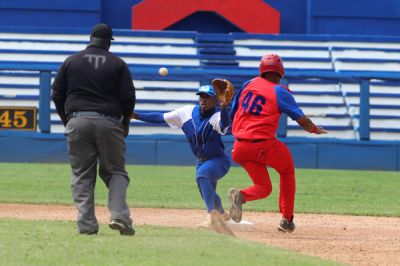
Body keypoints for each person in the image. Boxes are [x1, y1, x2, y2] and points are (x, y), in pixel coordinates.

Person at [51, 23, 136, 236]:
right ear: (108, 42)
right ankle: (119, 216)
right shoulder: (118, 64)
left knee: (82, 175)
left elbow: (57, 94)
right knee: (116, 172)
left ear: (91, 39)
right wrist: (124, 123)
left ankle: (87, 225)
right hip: (109, 122)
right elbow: (128, 97)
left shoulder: (71, 61)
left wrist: (67, 120)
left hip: (77, 120)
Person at [228, 54, 327, 233]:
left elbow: (233, 112)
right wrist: (316, 130)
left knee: (264, 187)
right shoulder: (280, 91)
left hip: (239, 147)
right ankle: (287, 220)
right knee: (287, 170)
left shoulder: (248, 84)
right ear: (280, 72)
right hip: (262, 144)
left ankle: (241, 196)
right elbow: (302, 121)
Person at [132, 84, 233, 234]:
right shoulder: (186, 112)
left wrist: (224, 107)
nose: (203, 99)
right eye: (201, 96)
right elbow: (161, 117)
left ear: (215, 101)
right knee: (208, 191)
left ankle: (211, 217)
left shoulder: (217, 116)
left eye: (208, 97)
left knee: (202, 175)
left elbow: (224, 124)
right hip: (201, 160)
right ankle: (223, 214)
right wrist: (136, 115)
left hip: (218, 161)